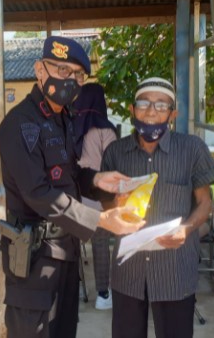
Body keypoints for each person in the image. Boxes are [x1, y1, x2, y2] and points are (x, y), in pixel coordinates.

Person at [0, 35, 145, 338]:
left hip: (65, 252)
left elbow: (67, 172)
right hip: (34, 259)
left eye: (78, 74)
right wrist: (101, 220)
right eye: (62, 70)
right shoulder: (19, 124)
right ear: (40, 69)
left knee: (64, 331)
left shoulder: (61, 118)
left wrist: (97, 180)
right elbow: (38, 193)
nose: (71, 80)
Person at [100, 77, 214, 338]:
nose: (151, 111)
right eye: (144, 103)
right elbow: (106, 203)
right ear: (132, 110)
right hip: (129, 270)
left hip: (174, 269)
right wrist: (115, 205)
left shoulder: (192, 149)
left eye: (161, 105)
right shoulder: (115, 152)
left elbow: (204, 204)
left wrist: (187, 229)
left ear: (173, 113)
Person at [72, 83, 118, 310]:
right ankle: (103, 294)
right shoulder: (105, 129)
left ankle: (76, 287)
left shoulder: (70, 125)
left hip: (73, 197)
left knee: (71, 242)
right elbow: (112, 163)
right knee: (100, 243)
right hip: (100, 196)